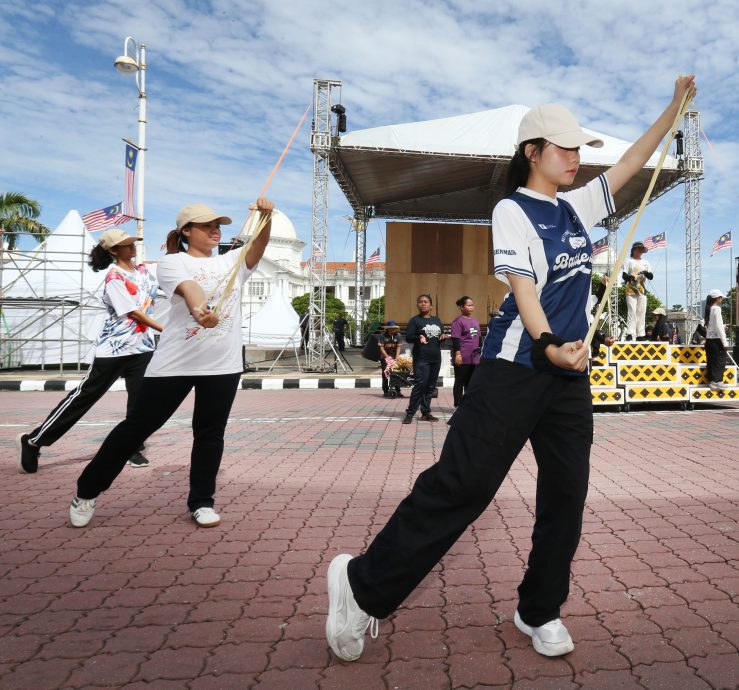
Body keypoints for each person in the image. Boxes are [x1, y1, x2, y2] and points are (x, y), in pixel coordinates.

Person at [325, 76, 697, 662]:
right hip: (516, 367)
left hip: (568, 376)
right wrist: (548, 342)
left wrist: (673, 110)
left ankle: (538, 608)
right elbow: (523, 288)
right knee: (463, 487)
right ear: (532, 152)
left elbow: (631, 162)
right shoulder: (512, 210)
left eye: (579, 149)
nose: (575, 158)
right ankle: (360, 584)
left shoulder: (576, 207)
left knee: (566, 497)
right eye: (564, 148)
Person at [67, 200, 274, 529]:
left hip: (223, 364)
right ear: (186, 232)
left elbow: (258, 245)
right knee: (136, 428)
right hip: (175, 363)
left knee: (209, 434)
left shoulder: (233, 261)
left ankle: (202, 502)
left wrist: (265, 217)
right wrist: (199, 310)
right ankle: (87, 490)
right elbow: (189, 288)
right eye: (206, 225)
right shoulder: (172, 262)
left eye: (217, 224)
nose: (215, 229)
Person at [16, 229, 162, 474]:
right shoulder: (114, 278)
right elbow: (134, 312)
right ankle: (34, 441)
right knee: (84, 398)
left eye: (131, 243)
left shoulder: (144, 271)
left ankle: (132, 447)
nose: (131, 247)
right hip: (114, 350)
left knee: (141, 403)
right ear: (113, 251)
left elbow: (170, 268)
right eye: (125, 245)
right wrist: (164, 329)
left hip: (143, 347)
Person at [402, 294, 445, 424]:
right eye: (420, 302)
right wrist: (419, 337)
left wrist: (442, 336)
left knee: (431, 386)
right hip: (422, 358)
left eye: (426, 302)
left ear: (431, 305)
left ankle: (425, 413)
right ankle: (410, 413)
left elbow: (439, 335)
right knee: (420, 385)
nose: (423, 304)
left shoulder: (437, 320)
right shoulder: (415, 321)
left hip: (435, 358)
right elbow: (408, 337)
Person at [450, 296, 481, 407]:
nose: (471, 307)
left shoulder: (475, 321)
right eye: (468, 305)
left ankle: (467, 405)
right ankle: (458, 405)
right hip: (463, 357)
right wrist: (457, 354)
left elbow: (479, 338)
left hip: (474, 358)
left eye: (472, 305)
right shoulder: (458, 321)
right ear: (462, 307)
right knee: (460, 381)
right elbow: (455, 339)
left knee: (471, 382)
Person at [623, 241, 653, 340]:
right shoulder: (628, 261)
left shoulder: (646, 263)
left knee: (641, 311)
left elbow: (651, 276)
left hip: (642, 289)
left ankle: (641, 334)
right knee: (632, 311)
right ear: (634, 250)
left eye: (642, 250)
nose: (640, 251)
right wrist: (631, 277)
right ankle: (630, 333)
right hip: (631, 289)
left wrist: (645, 272)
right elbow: (624, 275)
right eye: (638, 249)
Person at [704, 288, 729, 390]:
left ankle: (712, 381)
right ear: (717, 298)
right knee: (720, 360)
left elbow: (712, 326)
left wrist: (722, 327)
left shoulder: (708, 309)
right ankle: (717, 381)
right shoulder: (717, 309)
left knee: (711, 360)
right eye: (721, 297)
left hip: (709, 340)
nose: (721, 299)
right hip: (716, 340)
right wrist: (725, 342)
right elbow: (718, 327)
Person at [378, 320, 403, 398]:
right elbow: (381, 348)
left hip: (394, 356)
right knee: (385, 374)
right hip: (385, 357)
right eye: (392, 328)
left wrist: (397, 357)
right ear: (388, 329)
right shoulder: (382, 336)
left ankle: (397, 391)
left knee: (396, 373)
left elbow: (398, 347)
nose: (393, 330)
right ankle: (385, 391)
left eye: (395, 328)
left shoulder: (398, 335)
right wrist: (387, 357)